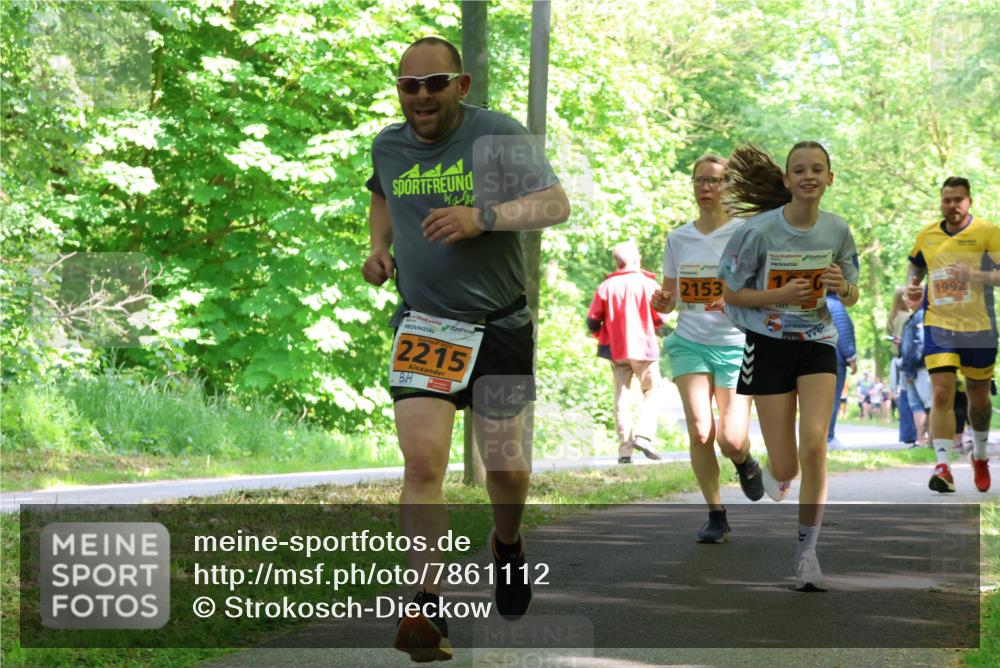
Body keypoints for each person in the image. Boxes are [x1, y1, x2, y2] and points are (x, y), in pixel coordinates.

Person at [363, 36, 571, 662]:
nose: (421, 96)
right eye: (409, 86)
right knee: (422, 465)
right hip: (426, 324)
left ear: (462, 85)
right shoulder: (389, 144)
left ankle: (507, 544)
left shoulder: (497, 136)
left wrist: (483, 216)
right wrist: (378, 249)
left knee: (505, 469)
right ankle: (425, 608)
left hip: (501, 325)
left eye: (435, 83)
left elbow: (556, 205)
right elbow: (382, 192)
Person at [719, 141, 860, 591]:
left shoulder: (837, 230)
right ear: (786, 180)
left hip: (817, 344)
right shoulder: (758, 232)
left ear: (830, 178)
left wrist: (842, 287)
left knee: (815, 444)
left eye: (817, 169)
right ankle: (777, 474)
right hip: (769, 344)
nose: (809, 176)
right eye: (799, 170)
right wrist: (780, 295)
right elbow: (732, 293)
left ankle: (807, 552)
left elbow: (853, 290)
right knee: (785, 466)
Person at [651, 154, 765, 544]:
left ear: (729, 187)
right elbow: (672, 294)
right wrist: (663, 301)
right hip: (690, 342)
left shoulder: (745, 233)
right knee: (701, 431)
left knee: (730, 438)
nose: (706, 188)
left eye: (714, 181)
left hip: (735, 344)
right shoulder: (678, 237)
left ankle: (744, 461)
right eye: (700, 180)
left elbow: (760, 291)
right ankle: (716, 514)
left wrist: (734, 300)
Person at [906, 176, 998, 494]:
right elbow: (915, 264)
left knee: (978, 398)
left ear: (968, 201)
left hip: (979, 327)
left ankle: (981, 456)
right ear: (941, 202)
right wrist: (913, 285)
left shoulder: (987, 232)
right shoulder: (927, 234)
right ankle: (943, 467)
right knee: (942, 393)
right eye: (947, 200)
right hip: (939, 324)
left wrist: (973, 275)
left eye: (958, 200)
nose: (952, 205)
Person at [586, 241, 664, 464]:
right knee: (652, 391)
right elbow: (660, 317)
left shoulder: (606, 287)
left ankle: (624, 452)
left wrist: (603, 337)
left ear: (617, 262)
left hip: (616, 351)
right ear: (635, 259)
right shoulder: (647, 284)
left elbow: (593, 320)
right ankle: (644, 436)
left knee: (622, 397)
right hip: (644, 349)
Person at [899, 286, 931, 447]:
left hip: (919, 368)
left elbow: (920, 345)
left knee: (927, 404)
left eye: (911, 296)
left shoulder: (922, 316)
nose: (907, 300)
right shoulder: (913, 317)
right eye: (906, 296)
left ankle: (929, 439)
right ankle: (921, 440)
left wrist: (910, 369)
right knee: (916, 405)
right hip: (910, 368)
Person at [825, 290, 857, 450]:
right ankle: (828, 437)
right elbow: (842, 332)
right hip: (835, 359)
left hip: (823, 357)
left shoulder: (819, 303)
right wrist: (851, 356)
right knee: (832, 399)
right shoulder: (835, 305)